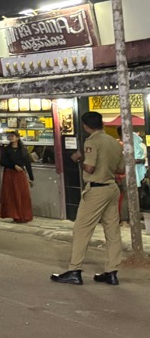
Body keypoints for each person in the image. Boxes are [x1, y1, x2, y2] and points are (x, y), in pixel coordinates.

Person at [52, 111, 124, 285]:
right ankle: (111, 272)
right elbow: (121, 169)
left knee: (82, 229)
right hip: (112, 188)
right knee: (112, 231)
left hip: (96, 190)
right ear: (103, 124)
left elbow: (89, 168)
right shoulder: (114, 143)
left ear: (85, 126)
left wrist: (79, 158)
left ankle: (74, 270)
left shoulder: (91, 142)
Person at [0, 131, 35, 223]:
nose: (11, 138)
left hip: (20, 174)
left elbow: (28, 164)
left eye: (12, 136)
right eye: (9, 136)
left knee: (22, 194)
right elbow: (2, 162)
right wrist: (13, 166)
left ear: (17, 138)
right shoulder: (6, 149)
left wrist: (31, 177)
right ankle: (14, 215)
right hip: (9, 173)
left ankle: (24, 215)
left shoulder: (23, 150)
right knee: (11, 195)